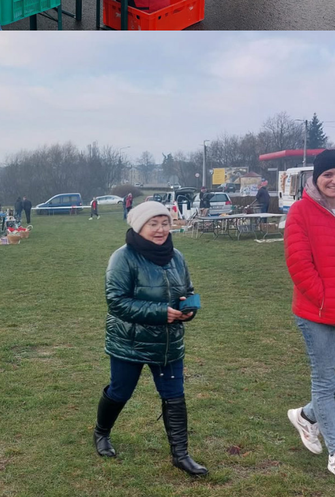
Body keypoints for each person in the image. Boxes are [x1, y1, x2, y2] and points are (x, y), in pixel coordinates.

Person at [93, 200, 206, 476]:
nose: (160, 230)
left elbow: (188, 290)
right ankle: (101, 433)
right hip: (129, 342)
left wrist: (188, 309)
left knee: (174, 396)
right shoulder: (123, 257)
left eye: (165, 223)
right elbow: (116, 302)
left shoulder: (176, 256)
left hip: (168, 341)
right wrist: (161, 313)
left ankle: (181, 454)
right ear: (139, 226)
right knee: (121, 392)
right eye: (153, 224)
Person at [284, 150, 335, 483]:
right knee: (324, 381)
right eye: (328, 175)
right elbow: (299, 264)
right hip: (318, 311)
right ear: (316, 178)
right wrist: (327, 301)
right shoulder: (300, 211)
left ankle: (307, 416)